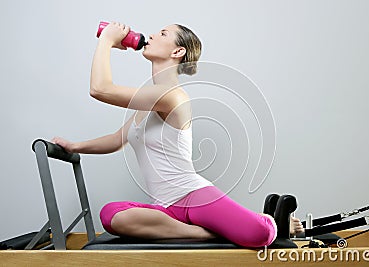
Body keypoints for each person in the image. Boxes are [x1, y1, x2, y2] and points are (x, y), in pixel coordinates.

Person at [52, 22, 303, 248]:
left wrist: (106, 40)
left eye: (162, 33)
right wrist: (74, 146)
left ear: (177, 51)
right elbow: (117, 139)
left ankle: (273, 220)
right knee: (111, 214)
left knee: (262, 233)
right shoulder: (146, 104)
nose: (151, 35)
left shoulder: (172, 96)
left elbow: (100, 89)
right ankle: (210, 233)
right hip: (166, 209)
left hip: (193, 196)